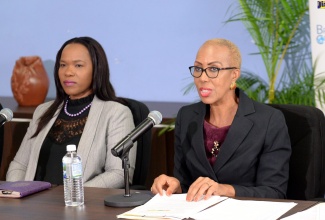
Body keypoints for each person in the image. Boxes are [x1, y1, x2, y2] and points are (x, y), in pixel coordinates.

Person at [151, 38, 291, 201]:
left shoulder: (268, 121)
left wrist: (225, 189)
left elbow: (274, 191)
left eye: (213, 69)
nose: (203, 78)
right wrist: (175, 185)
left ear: (234, 75)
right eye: (198, 68)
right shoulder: (187, 116)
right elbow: (186, 183)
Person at [6, 37, 137, 188]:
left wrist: (74, 195)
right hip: (34, 205)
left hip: (80, 205)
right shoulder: (43, 111)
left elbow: (118, 173)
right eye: (63, 65)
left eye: (78, 65)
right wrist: (17, 192)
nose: (68, 72)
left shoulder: (116, 113)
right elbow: (19, 165)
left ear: (97, 69)